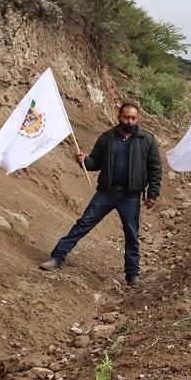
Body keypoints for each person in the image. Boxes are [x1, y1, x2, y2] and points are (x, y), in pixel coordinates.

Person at [39, 102, 161, 285]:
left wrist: (152, 193)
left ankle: (132, 275)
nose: (130, 121)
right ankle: (57, 257)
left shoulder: (147, 140)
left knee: (131, 235)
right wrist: (84, 160)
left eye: (133, 118)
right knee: (83, 224)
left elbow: (155, 168)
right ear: (119, 117)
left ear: (138, 118)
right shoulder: (107, 138)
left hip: (130, 196)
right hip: (106, 193)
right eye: (126, 117)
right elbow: (95, 162)